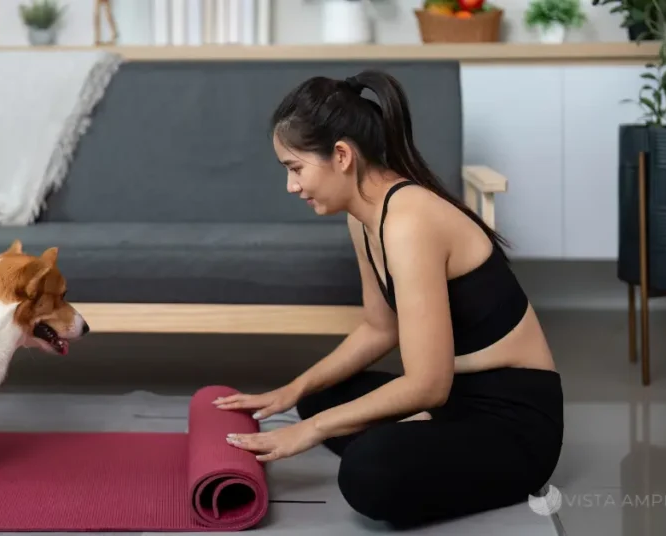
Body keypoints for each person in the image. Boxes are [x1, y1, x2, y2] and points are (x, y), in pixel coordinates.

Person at [212, 70, 564, 530]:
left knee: (366, 472)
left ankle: (423, 440)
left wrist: (311, 431)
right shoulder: (363, 217)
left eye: (295, 168)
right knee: (322, 397)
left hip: (513, 420)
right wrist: (293, 390)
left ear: (341, 155)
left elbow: (428, 385)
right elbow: (381, 328)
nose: (292, 186)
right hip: (453, 399)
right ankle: (420, 434)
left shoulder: (409, 220)